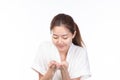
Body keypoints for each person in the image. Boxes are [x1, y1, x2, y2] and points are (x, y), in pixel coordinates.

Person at [32, 13, 91, 80]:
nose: (59, 42)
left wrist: (64, 71)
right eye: (55, 37)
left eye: (65, 37)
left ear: (73, 34)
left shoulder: (80, 52)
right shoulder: (44, 48)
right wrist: (51, 71)